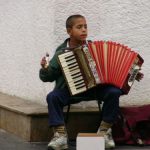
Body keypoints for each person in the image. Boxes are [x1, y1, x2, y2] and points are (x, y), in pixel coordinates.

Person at [39, 14, 144, 150]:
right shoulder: (61, 53)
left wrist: (130, 73)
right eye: (79, 27)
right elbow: (47, 77)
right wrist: (45, 68)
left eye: (85, 27)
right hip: (70, 91)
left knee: (114, 92)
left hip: (94, 89)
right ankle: (60, 136)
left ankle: (104, 132)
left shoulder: (93, 47)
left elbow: (111, 65)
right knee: (52, 97)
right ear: (69, 31)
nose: (84, 30)